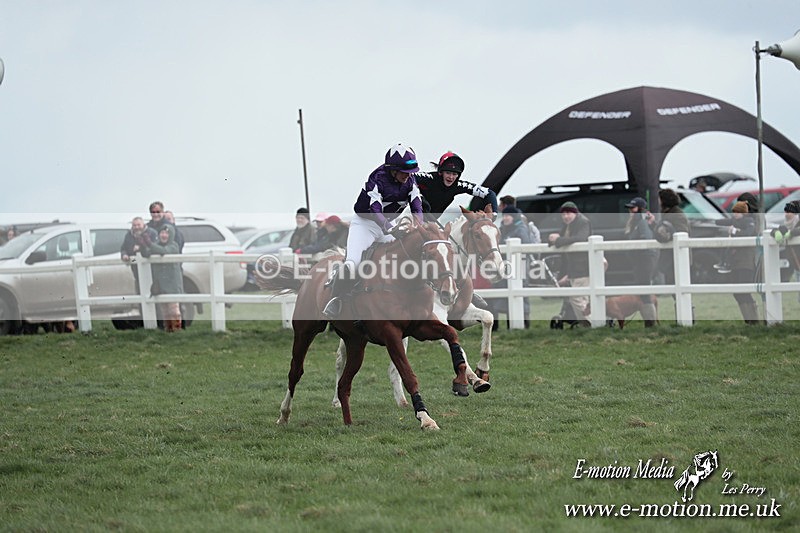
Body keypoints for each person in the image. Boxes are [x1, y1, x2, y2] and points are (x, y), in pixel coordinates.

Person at [322, 143, 424, 319]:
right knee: (353, 264)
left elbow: (416, 205)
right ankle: (335, 299)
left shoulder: (410, 179)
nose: (408, 177)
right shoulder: (377, 178)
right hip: (366, 225)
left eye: (410, 173)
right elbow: (375, 210)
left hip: (391, 223)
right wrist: (392, 229)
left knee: (405, 258)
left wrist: (419, 226)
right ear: (392, 170)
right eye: (404, 173)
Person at [714, 200, 760, 324]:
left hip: (745, 262)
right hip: (735, 262)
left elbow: (748, 234)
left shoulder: (749, 222)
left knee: (743, 291)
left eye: (737, 212)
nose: (735, 214)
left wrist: (735, 231)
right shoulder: (737, 221)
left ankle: (754, 321)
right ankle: (749, 321)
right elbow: (721, 222)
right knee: (737, 292)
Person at [414, 151, 498, 219]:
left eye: (454, 174)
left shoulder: (459, 185)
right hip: (410, 217)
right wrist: (419, 197)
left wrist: (494, 214)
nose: (451, 177)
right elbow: (409, 177)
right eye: (448, 173)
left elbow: (489, 193)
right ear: (441, 172)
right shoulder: (429, 178)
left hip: (431, 223)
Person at [548, 201, 592, 326]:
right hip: (575, 268)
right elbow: (562, 240)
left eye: (568, 213)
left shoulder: (582, 222)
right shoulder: (569, 224)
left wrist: (557, 240)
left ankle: (591, 323)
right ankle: (588, 324)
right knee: (581, 299)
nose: (566, 216)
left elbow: (579, 239)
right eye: (563, 214)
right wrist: (553, 240)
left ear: (575, 213)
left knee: (577, 298)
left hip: (582, 267)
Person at [489, 206, 532, 330]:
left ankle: (523, 325)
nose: (506, 218)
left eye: (509, 216)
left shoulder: (521, 229)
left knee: (520, 297)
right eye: (505, 215)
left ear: (514, 217)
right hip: (504, 268)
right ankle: (509, 327)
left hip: (518, 269)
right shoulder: (502, 229)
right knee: (504, 297)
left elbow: (525, 248)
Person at [623, 197, 659, 327]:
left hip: (644, 261)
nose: (630, 211)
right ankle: (649, 322)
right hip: (641, 261)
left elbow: (645, 238)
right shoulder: (638, 222)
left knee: (644, 292)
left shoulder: (641, 222)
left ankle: (650, 322)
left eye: (633, 208)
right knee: (643, 291)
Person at [141, 224, 184, 332]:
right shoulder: (155, 246)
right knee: (164, 311)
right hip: (160, 284)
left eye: (166, 233)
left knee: (174, 310)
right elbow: (146, 253)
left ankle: (177, 330)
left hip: (172, 285)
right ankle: (169, 330)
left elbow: (164, 251)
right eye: (162, 233)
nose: (164, 235)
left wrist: (150, 244)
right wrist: (142, 244)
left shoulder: (174, 246)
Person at [646, 188, 689, 286]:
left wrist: (656, 227)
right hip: (672, 260)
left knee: (678, 289)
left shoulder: (676, 215)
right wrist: (653, 224)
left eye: (659, 200)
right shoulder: (671, 214)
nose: (658, 203)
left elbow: (669, 234)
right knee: (674, 289)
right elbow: (664, 232)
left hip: (677, 259)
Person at [120, 216, 157, 293]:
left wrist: (141, 248)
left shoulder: (152, 233)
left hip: (151, 269)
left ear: (143, 224)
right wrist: (124, 255)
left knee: (152, 294)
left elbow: (155, 248)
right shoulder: (129, 235)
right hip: (136, 267)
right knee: (140, 293)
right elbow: (123, 248)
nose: (137, 227)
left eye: (138, 225)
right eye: (134, 225)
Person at [772, 200, 800, 282]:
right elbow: (773, 230)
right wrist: (776, 232)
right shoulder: (784, 226)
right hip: (796, 263)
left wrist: (792, 232)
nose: (787, 214)